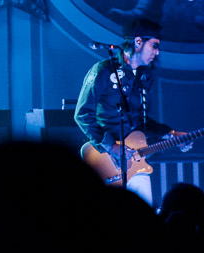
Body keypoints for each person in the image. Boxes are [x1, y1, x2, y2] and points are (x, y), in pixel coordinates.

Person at [75, 18, 187, 204]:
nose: (157, 52)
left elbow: (142, 121)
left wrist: (171, 134)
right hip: (105, 158)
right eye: (154, 45)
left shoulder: (144, 76)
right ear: (138, 42)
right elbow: (82, 114)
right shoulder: (103, 70)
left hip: (135, 160)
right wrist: (111, 146)